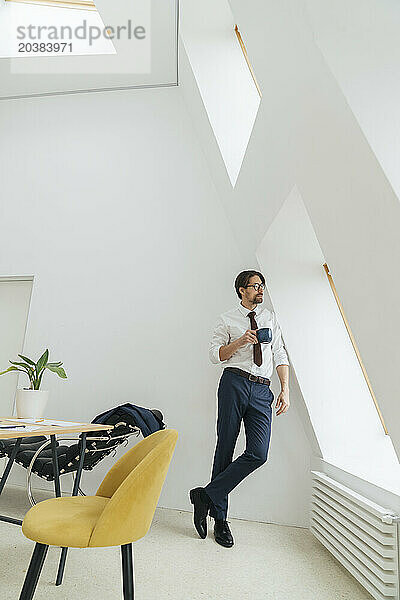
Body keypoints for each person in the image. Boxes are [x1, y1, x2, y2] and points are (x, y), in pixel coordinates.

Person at [189, 270, 290, 548]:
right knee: (225, 449)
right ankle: (220, 520)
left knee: (258, 453)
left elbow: (280, 353)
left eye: (262, 286)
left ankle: (205, 497)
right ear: (241, 290)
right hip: (234, 383)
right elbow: (215, 355)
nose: (260, 290)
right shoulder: (227, 319)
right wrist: (241, 341)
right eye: (255, 286)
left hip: (261, 389)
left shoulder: (270, 318)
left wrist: (285, 388)